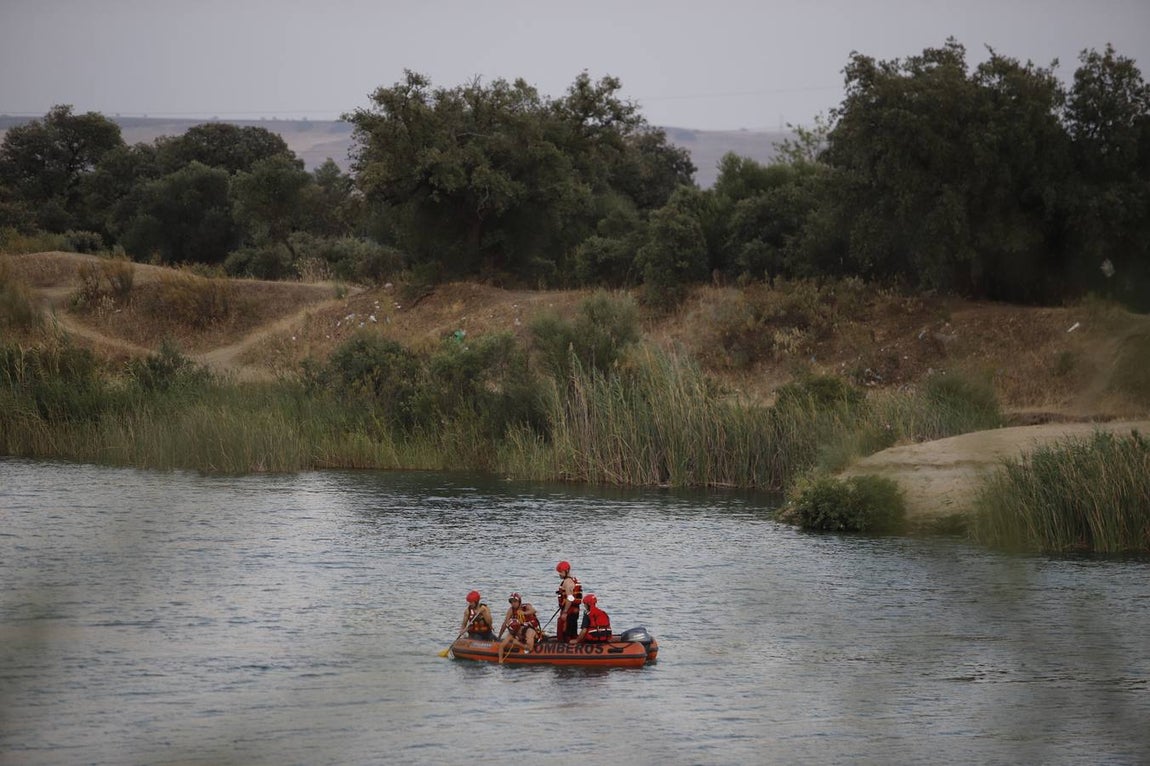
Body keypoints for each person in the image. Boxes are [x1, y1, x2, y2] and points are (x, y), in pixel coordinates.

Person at [496, 592, 541, 661]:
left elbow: (533, 610)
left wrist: (524, 613)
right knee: (507, 639)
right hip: (517, 629)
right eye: (511, 602)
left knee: (529, 639)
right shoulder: (511, 610)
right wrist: (499, 637)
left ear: (519, 601)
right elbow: (505, 623)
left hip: (529, 629)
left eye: (515, 601)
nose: (513, 604)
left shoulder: (526, 606)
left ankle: (518, 643)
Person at [554, 560, 583, 642]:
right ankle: (573, 639)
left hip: (569, 610)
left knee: (565, 631)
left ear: (566, 571)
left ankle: (566, 643)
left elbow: (570, 598)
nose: (559, 574)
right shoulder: (574, 580)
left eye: (561, 572)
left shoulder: (567, 582)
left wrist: (565, 612)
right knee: (573, 627)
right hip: (575, 609)